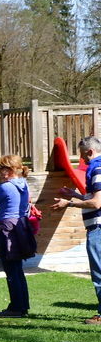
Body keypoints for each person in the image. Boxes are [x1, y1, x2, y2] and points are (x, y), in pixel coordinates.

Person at [52, 135, 101, 324]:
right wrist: (76, 194)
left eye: (83, 155)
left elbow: (96, 203)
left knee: (98, 274)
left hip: (97, 228)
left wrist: (69, 202)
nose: (82, 159)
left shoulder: (96, 168)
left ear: (90, 152)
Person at [0, 154, 33, 317]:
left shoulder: (6, 186)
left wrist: (1, 189)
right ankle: (21, 306)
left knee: (11, 270)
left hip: (7, 229)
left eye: (1, 168)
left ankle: (16, 308)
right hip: (20, 226)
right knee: (18, 270)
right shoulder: (24, 184)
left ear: (10, 169)